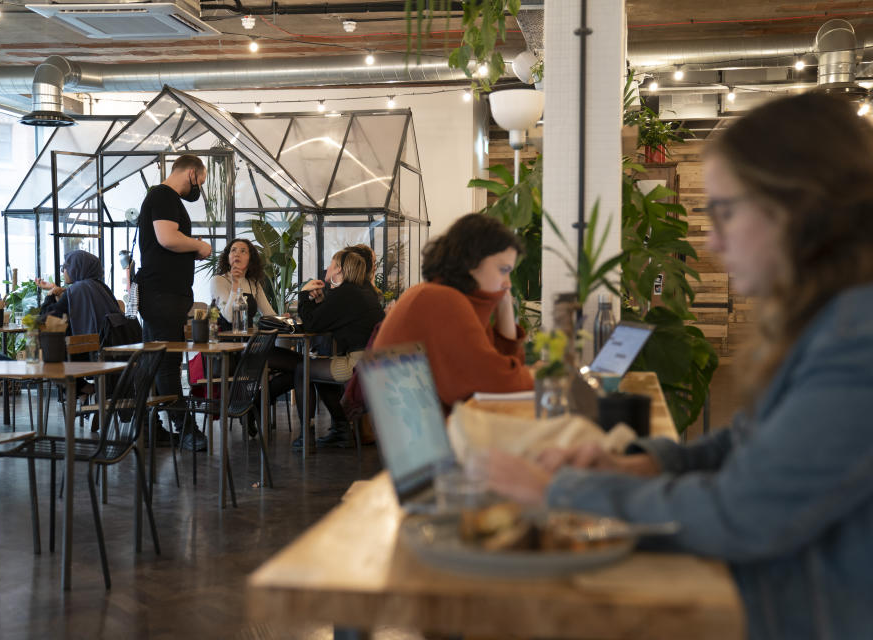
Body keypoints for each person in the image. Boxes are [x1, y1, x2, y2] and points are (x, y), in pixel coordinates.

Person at [488, 93, 873, 639]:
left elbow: (741, 515)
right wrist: (641, 465)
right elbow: (745, 442)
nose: (713, 240)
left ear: (799, 208)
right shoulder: (832, 321)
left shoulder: (858, 341)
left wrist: (559, 492)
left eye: (726, 211)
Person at [371, 213, 533, 411]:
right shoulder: (441, 300)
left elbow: (502, 368)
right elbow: (497, 382)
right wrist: (537, 376)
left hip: (433, 430)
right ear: (471, 261)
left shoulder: (446, 296)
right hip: (432, 438)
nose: (507, 282)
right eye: (503, 269)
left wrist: (505, 306)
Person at [135, 154, 213, 451]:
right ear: (191, 172)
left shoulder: (162, 198)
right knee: (167, 361)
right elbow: (167, 237)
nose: (200, 188)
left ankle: (148, 426)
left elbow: (166, 242)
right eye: (201, 181)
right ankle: (185, 427)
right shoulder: (165, 195)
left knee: (155, 361)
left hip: (163, 292)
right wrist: (199, 246)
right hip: (162, 293)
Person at [290, 247, 385, 449]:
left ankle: (306, 437)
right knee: (319, 369)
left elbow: (312, 325)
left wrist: (303, 295)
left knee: (302, 370)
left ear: (339, 269)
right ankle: (341, 430)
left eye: (330, 265)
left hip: (357, 364)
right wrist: (317, 300)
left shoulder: (345, 294)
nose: (327, 269)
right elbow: (324, 319)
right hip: (373, 362)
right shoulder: (363, 291)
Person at [37, 250, 120, 335]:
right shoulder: (102, 287)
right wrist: (55, 289)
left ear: (75, 268)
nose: (63, 271)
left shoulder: (77, 290)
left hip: (89, 346)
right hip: (112, 344)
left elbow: (45, 319)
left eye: (65, 267)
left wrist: (50, 295)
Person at [210, 238, 275, 326]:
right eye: (233, 250)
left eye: (243, 251)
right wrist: (235, 285)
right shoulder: (218, 280)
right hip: (226, 338)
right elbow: (230, 317)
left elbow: (268, 314)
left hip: (249, 337)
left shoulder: (253, 282)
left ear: (250, 259)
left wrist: (282, 319)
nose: (237, 254)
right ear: (228, 257)